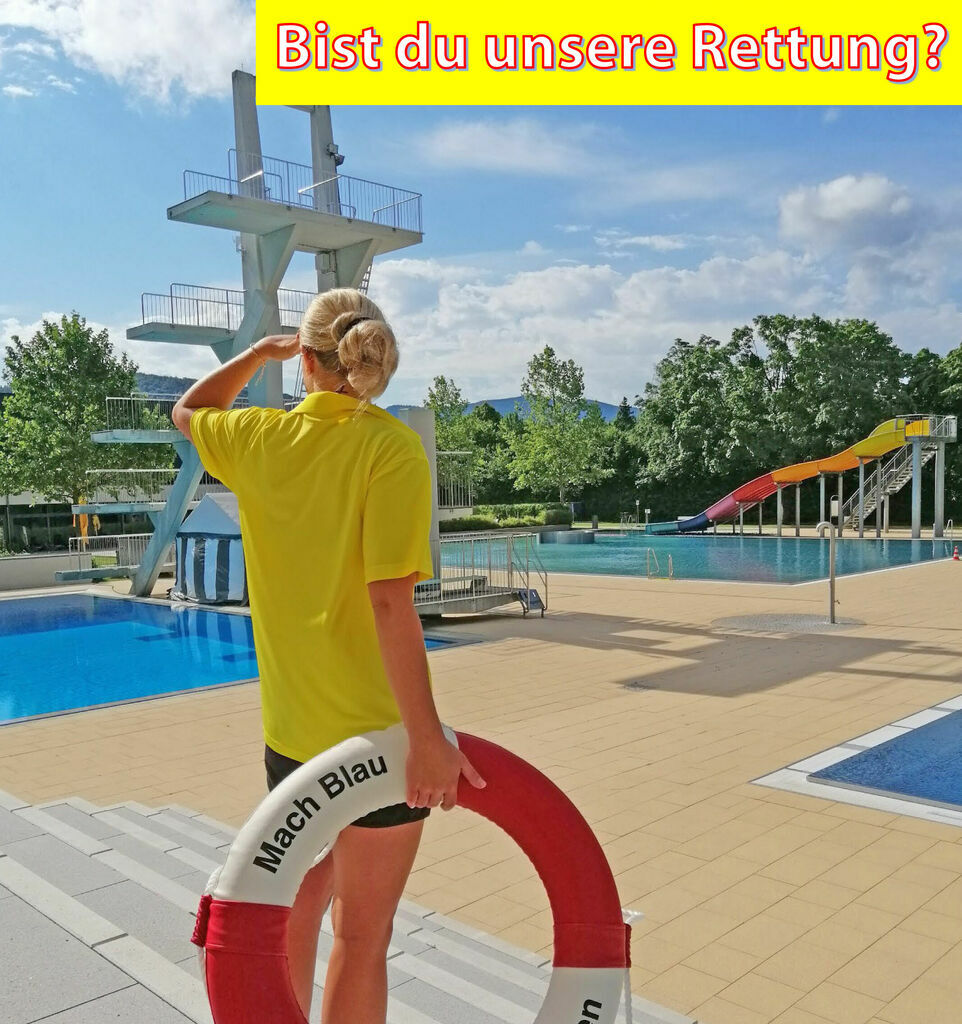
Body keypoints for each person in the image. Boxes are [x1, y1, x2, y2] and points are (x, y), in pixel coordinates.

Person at [172, 287, 485, 1024]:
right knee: (362, 936)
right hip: (377, 737)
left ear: (305, 360)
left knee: (300, 901)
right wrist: (427, 738)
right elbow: (389, 604)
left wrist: (256, 354)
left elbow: (187, 410)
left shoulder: (257, 437)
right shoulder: (390, 449)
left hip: (292, 733)